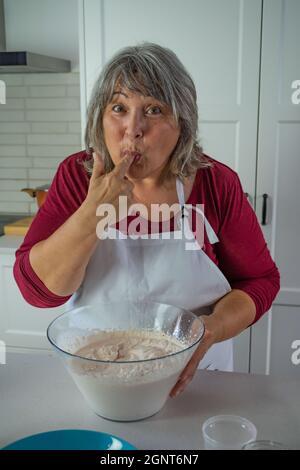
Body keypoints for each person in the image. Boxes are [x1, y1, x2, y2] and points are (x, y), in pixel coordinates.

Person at [14, 42, 280, 397]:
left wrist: (211, 329)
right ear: (100, 116)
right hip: (98, 375)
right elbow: (38, 292)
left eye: (154, 110)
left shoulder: (216, 183)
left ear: (182, 124)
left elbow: (259, 280)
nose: (132, 129)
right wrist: (93, 212)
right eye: (119, 108)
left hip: (197, 381)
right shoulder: (78, 177)